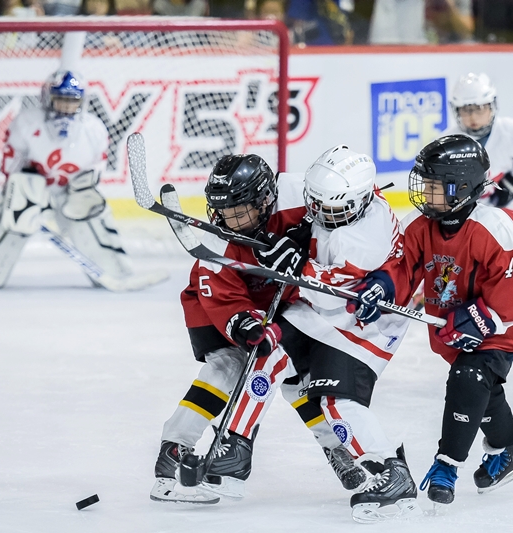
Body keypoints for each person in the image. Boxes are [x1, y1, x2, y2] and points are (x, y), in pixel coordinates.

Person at [198, 146, 421, 523]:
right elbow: (313, 226)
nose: (317, 214)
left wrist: (299, 265)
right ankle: (235, 449)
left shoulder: (362, 240)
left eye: (327, 210)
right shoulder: (343, 198)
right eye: (313, 204)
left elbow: (336, 298)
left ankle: (390, 472)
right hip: (321, 309)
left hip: (367, 322)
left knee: (335, 404)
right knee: (267, 352)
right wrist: (298, 241)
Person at [151, 154, 359, 504]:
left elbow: (344, 215)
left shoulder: (298, 193)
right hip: (216, 307)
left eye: (238, 212)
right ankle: (173, 453)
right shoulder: (215, 243)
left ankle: (337, 449)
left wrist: (304, 244)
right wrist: (246, 325)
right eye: (222, 212)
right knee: (227, 367)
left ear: (265, 199)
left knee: (298, 381)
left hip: (287, 303)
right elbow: (222, 296)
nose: (228, 221)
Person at [349, 135, 513, 508]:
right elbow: (402, 267)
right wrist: (382, 286)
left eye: (435, 187)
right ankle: (511, 450)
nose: (425, 194)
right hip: (451, 324)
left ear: (462, 188)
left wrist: (483, 318)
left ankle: (446, 466)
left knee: (469, 378)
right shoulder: (419, 225)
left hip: (499, 329)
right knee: (482, 390)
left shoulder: (497, 228)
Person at [0, 70, 160, 290]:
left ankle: (115, 271)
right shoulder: (27, 122)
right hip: (33, 189)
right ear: (48, 97)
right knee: (9, 219)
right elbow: (11, 161)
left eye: (72, 100)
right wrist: (23, 184)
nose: (66, 105)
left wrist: (85, 186)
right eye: (61, 99)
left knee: (94, 221)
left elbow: (98, 163)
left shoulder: (93, 128)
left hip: (74, 191)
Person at [445, 73, 513, 214]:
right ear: (456, 110)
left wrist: (510, 185)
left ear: (492, 106)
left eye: (479, 108)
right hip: (463, 213)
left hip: (506, 208)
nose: (473, 117)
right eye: (466, 110)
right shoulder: (446, 143)